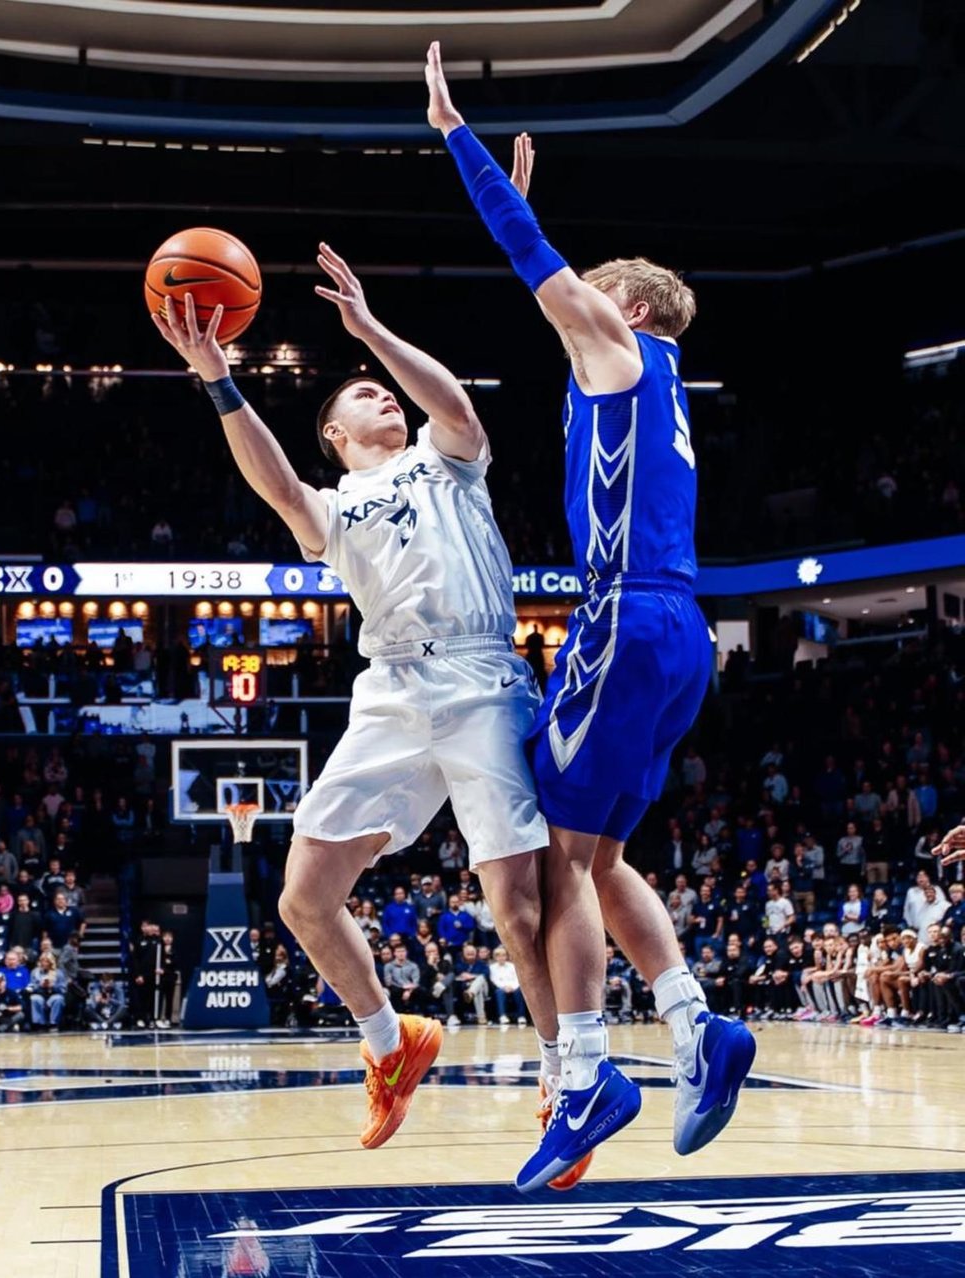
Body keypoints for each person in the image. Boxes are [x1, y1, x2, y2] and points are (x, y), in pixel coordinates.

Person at [423, 41, 755, 1189]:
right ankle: (695, 1020)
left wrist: (459, 143)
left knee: (560, 867)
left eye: (590, 293)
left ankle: (586, 1077)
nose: (573, 307)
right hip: (679, 633)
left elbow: (533, 266)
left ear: (627, 306)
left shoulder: (619, 346)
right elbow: (548, 282)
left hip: (622, 622)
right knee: (601, 854)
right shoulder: (646, 384)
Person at [154, 255, 555, 1157]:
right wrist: (219, 380)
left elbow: (453, 403)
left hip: (481, 678)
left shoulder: (446, 459)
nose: (384, 397)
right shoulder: (333, 507)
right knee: (303, 897)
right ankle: (390, 1042)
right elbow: (275, 484)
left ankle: (563, 1075)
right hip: (391, 691)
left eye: (385, 390)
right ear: (333, 434)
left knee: (516, 907)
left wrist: (372, 331)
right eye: (364, 395)